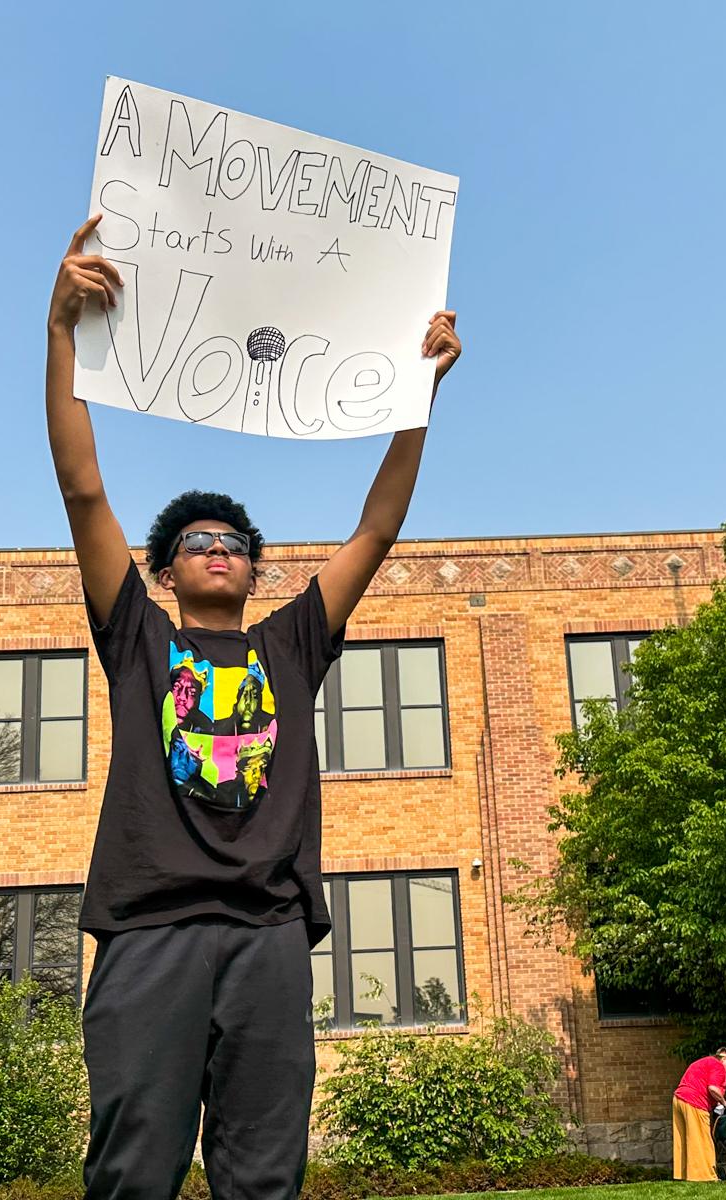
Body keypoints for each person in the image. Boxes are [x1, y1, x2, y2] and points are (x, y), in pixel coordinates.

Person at [47, 214, 462, 1200]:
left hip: (269, 939)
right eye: (196, 538)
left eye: (233, 536)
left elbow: (379, 525)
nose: (218, 544)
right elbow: (82, 487)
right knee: (134, 1172)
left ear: (254, 564)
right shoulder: (140, 637)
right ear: (166, 568)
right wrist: (61, 331)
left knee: (264, 1177)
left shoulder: (291, 643)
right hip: (152, 937)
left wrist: (420, 394)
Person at [672, 1047, 726, 1182]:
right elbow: (713, 1088)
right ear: (724, 1059)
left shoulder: (703, 1062)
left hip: (678, 1099)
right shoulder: (718, 1066)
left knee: (683, 1139)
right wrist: (724, 1102)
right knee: (702, 1140)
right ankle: (706, 1176)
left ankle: (684, 1174)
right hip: (695, 1101)